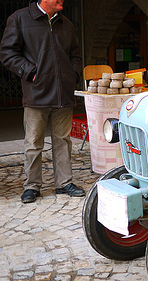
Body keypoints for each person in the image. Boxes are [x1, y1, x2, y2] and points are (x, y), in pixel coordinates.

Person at [0, 0, 85, 203]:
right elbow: (7, 53)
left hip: (63, 93)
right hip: (36, 93)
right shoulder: (20, 19)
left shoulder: (67, 24)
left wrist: (71, 74)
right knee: (33, 142)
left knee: (63, 141)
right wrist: (31, 72)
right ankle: (32, 186)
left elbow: (75, 55)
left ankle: (64, 183)